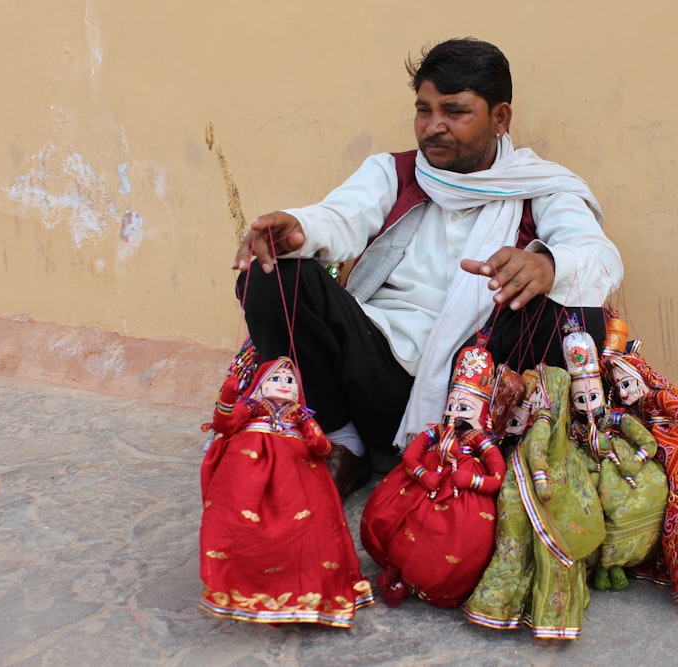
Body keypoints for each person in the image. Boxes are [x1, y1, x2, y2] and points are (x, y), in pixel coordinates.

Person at [230, 37, 623, 497]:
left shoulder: (542, 187)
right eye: (424, 110)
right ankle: (345, 442)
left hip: (475, 380)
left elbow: (599, 256)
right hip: (377, 366)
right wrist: (300, 228)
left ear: (500, 118)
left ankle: (490, 454)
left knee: (580, 315)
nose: (434, 127)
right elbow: (340, 216)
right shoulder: (391, 172)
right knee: (271, 273)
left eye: (454, 112)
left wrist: (549, 266)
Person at [199, 357, 373, 626]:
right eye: (276, 379)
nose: (284, 384)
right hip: (248, 473)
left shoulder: (300, 417)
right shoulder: (252, 410)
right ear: (260, 385)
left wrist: (317, 440)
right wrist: (228, 398)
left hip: (297, 476)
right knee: (240, 522)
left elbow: (323, 449)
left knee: (308, 528)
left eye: (290, 381)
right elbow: (225, 425)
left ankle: (304, 591)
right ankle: (241, 582)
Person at [463, 364, 605, 641]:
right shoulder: (547, 423)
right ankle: (520, 611)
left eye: (540, 391)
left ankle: (498, 607)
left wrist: (541, 482)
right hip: (522, 491)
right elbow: (538, 453)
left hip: (519, 491)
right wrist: (542, 483)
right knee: (525, 552)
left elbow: (539, 450)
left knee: (516, 552)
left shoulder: (545, 422)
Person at [359, 344, 507, 608]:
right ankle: (396, 570)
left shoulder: (479, 441)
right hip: (427, 478)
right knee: (394, 516)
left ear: (483, 414)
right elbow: (410, 457)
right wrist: (421, 473)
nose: (454, 414)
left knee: (457, 537)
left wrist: (472, 481)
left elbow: (497, 478)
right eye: (451, 405)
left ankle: (424, 581)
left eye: (465, 408)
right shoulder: (437, 433)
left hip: (462, 492)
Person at [599, 315, 678, 602]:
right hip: (652, 449)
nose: (624, 392)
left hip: (675, 451)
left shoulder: (661, 399)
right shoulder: (631, 412)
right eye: (620, 387)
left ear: (642, 379)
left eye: (628, 384)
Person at [560, 317, 668, 591]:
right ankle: (597, 565)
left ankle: (620, 562)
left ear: (604, 396)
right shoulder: (575, 429)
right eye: (580, 400)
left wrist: (636, 461)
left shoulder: (617, 420)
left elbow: (647, 442)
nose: (588, 405)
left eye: (593, 397)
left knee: (649, 490)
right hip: (592, 472)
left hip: (624, 470)